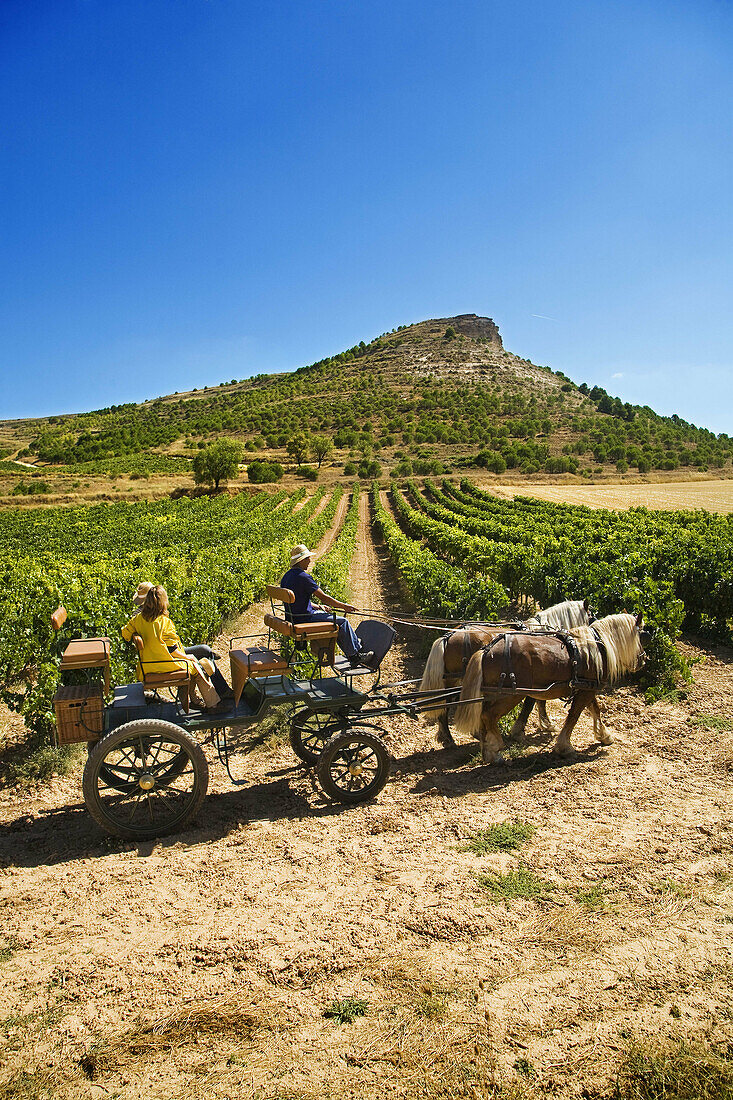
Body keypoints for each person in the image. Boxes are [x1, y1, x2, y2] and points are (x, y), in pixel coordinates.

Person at [122, 585, 225, 711]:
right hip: (165, 664)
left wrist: (136, 634)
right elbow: (173, 651)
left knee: (191, 664)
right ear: (163, 602)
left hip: (146, 666)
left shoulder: (137, 619)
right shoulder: (164, 622)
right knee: (198, 666)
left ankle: (194, 700)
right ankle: (213, 705)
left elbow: (125, 634)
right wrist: (188, 657)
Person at [279, 545, 376, 668]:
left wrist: (318, 606)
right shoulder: (304, 577)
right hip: (305, 618)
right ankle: (355, 656)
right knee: (342, 622)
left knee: (336, 620)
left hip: (294, 617)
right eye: (308, 558)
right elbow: (324, 597)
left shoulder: (286, 576)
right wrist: (343, 606)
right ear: (302, 560)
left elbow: (298, 600)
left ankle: (354, 644)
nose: (309, 561)